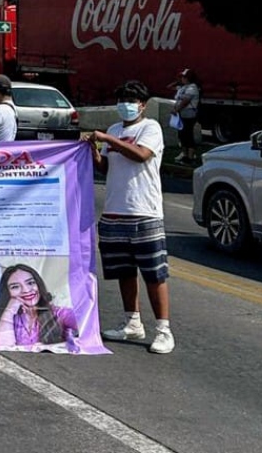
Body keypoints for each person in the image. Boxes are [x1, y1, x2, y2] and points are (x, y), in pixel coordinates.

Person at [88, 80, 174, 354]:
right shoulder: (114, 129)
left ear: (143, 104)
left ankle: (163, 329)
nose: (126, 104)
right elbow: (105, 168)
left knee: (154, 273)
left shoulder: (150, 128)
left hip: (143, 212)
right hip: (114, 211)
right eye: (123, 99)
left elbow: (141, 155)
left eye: (132, 100)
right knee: (124, 271)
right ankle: (132, 322)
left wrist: (108, 140)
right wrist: (92, 149)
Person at [0, 264, 78, 347]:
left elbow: (89, 325)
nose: (26, 290)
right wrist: (9, 311)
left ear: (38, 284)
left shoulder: (59, 313)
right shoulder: (4, 318)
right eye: (15, 287)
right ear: (7, 293)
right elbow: (1, 350)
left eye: (30, 283)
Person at [171, 68, 202, 164]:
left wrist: (177, 109)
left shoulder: (192, 88)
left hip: (189, 115)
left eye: (184, 77)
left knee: (188, 134)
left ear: (189, 78)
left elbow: (186, 101)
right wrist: (176, 83)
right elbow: (170, 88)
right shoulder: (183, 87)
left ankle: (190, 156)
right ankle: (184, 154)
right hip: (181, 115)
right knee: (182, 135)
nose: (182, 79)